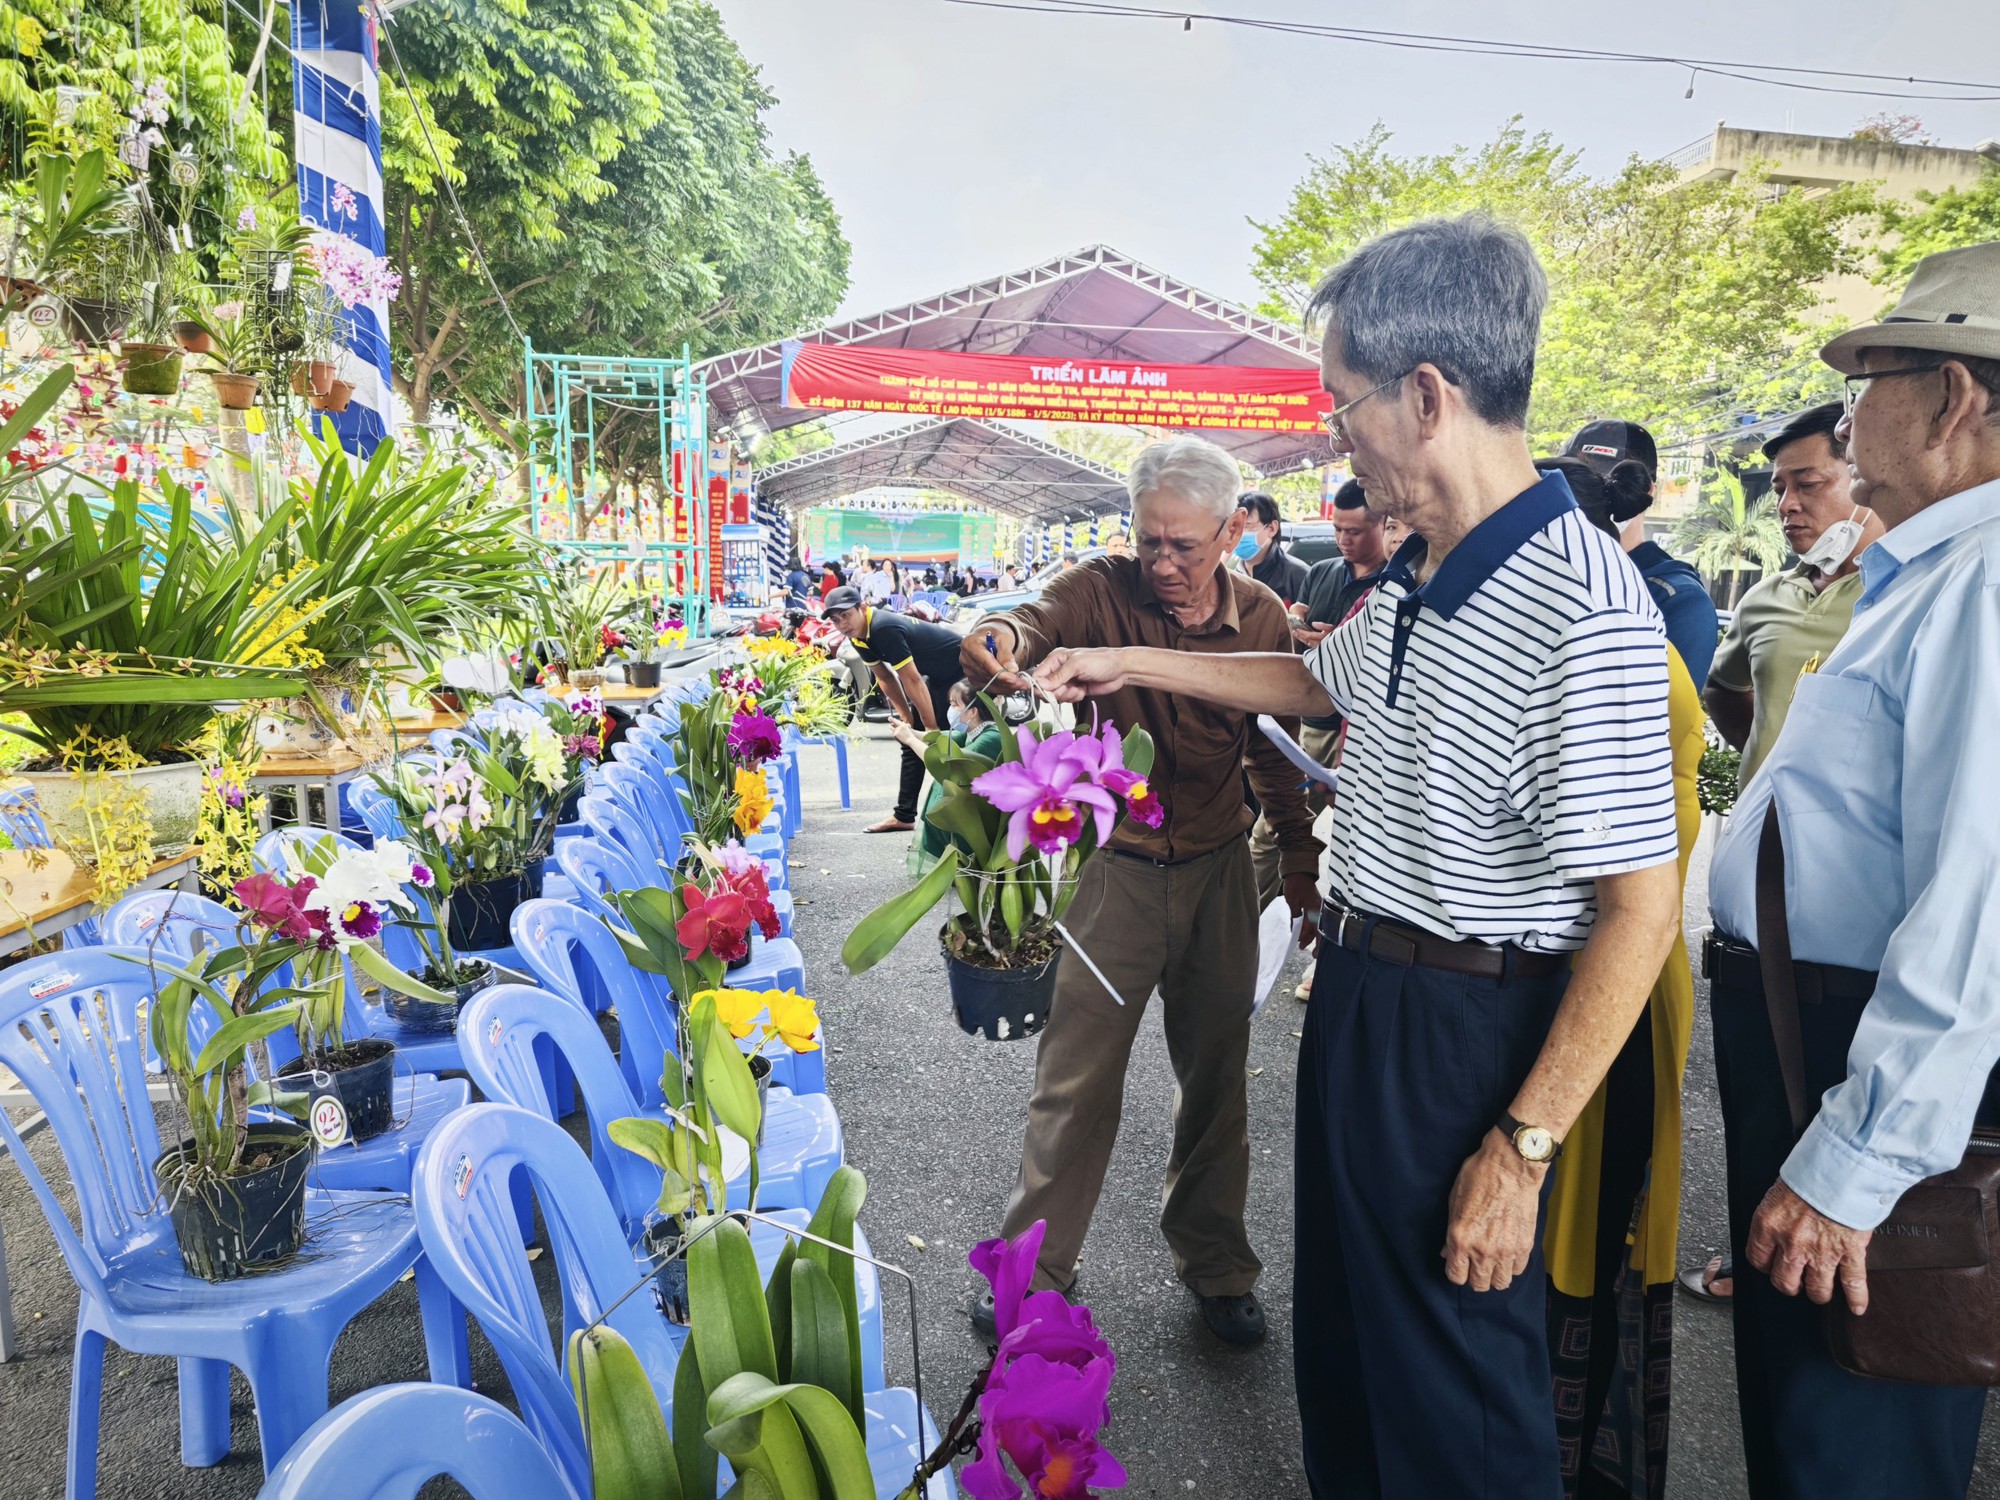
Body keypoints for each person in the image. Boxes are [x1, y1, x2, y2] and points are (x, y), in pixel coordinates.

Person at [1028, 215, 1682, 1499]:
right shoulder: (1429, 574)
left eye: (1343, 406)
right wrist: (1124, 657)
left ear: (1425, 394)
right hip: (1367, 992)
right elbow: (1307, 683)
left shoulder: (1582, 608)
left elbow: (1641, 912)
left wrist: (1520, 1148)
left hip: (1465, 1029)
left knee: (1452, 1392)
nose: (1334, 437)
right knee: (1349, 1358)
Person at [1704, 241, 2000, 1500]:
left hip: (1852, 1055)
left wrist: (1853, 1171)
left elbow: (1977, 907)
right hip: (1805, 1032)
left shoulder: (1982, 584)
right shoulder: (1924, 567)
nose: (1845, 418)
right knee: (1804, 1414)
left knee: (1853, 1430)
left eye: (1860, 382)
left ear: (1951, 398)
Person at [960, 436, 1322, 1349]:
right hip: (1109, 875)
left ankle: (1217, 1266)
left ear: (1234, 530)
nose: (1162, 562)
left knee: (1217, 1077)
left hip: (1218, 870)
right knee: (1074, 1085)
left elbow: (1274, 747)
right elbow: (1029, 622)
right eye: (1148, 540)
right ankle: (1033, 1279)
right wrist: (996, 643)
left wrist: (1299, 859)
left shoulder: (1265, 616)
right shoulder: (1099, 585)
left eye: (1184, 546)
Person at [1533, 458, 1705, 1500]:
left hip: (1615, 983)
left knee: (1592, 1231)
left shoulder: (1625, 653)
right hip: (1578, 970)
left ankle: (1577, 1462)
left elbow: (1628, 890)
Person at [1703, 401, 1884, 788]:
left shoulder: (1907, 593)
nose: (1787, 506)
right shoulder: (1764, 597)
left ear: (1864, 476)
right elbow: (1722, 687)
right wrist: (1766, 752)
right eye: (1779, 489)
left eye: (1808, 484)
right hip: (1753, 831)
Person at [1247, 479, 1385, 929]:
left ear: (1384, 526)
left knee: (1351, 841)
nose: (1345, 540)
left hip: (1354, 730)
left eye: (1357, 531)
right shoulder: (1323, 570)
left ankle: (1326, 946)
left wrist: (1339, 648)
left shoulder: (1392, 586)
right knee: (1273, 831)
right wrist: (1301, 630)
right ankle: (1237, 922)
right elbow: (1297, 616)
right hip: (1306, 726)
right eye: (1339, 530)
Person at [1562, 420, 1721, 690]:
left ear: (1647, 490)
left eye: (1612, 483)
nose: (1592, 495)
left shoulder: (1677, 599)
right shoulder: (1548, 567)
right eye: (1580, 480)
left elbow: (1667, 719)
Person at [823, 585, 963, 835]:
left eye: (846, 615)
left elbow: (912, 679)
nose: (842, 623)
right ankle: (904, 816)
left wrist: (929, 727)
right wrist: (907, 719)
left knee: (945, 740)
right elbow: (885, 678)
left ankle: (962, 810)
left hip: (961, 672)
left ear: (862, 608)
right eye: (836, 620)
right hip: (936, 676)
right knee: (909, 738)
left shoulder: (882, 627)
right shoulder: (857, 636)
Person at [892, 678, 1002, 875]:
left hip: (983, 811)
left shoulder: (990, 737)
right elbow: (938, 739)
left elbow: (944, 764)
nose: (950, 709)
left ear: (972, 712)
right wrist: (910, 731)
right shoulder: (973, 731)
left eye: (954, 704)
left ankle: (965, 866)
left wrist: (909, 740)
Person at [1236, 490, 1309, 605]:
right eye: (1234, 526)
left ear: (1272, 528)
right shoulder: (1230, 576)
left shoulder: (1297, 575)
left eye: (1246, 526)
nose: (1237, 533)